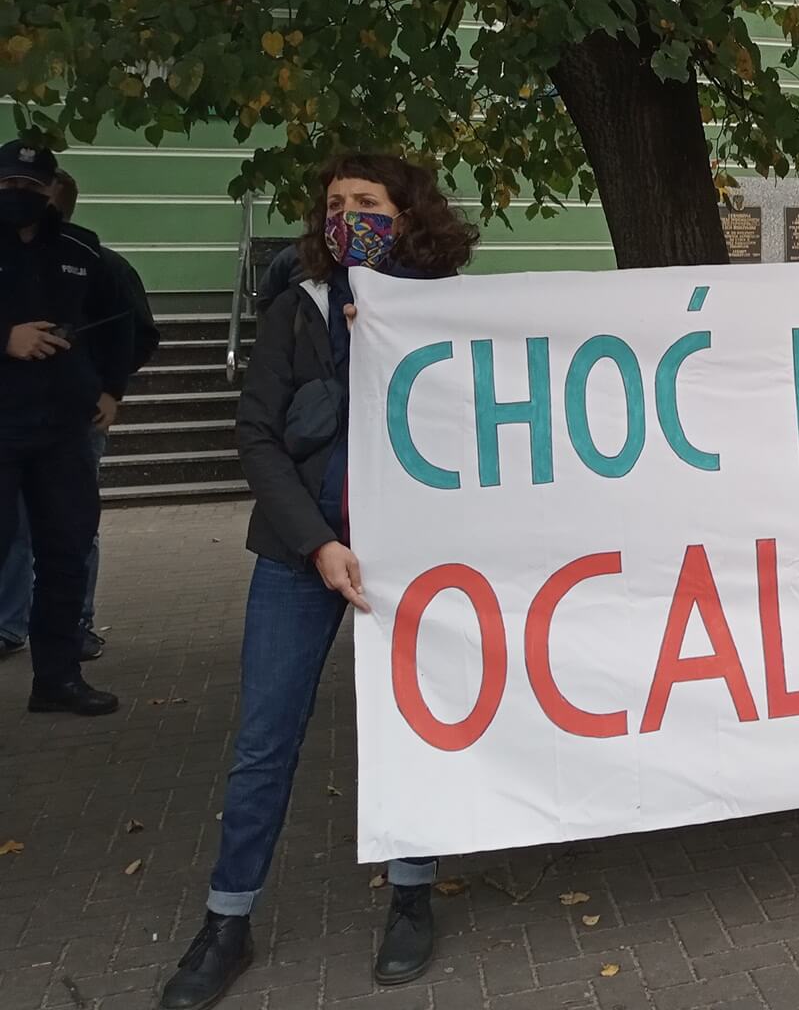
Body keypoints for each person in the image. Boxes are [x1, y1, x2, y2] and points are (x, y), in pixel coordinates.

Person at [160, 153, 479, 1009]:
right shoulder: (294, 311)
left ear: (408, 215)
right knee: (265, 738)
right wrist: (316, 543)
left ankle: (412, 894)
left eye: (367, 201)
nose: (349, 217)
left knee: (414, 728)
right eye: (336, 203)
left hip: (413, 560)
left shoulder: (452, 309)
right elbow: (257, 436)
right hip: (302, 558)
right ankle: (227, 920)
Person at [0, 169, 159, 659]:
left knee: (69, 535)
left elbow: (133, 328)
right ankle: (10, 623)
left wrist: (109, 389)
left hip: (71, 424)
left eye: (34, 189)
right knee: (16, 531)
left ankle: (72, 635)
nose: (22, 199)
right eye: (12, 187)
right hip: (10, 423)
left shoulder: (93, 259)